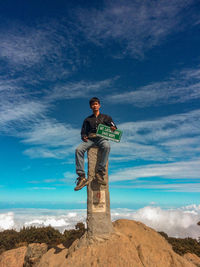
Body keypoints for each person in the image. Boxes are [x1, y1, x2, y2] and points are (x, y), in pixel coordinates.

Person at [74, 97, 117, 191]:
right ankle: (81, 177)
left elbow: (114, 127)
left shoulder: (106, 117)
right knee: (78, 150)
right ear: (90, 107)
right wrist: (84, 136)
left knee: (107, 146)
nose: (95, 106)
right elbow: (83, 132)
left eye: (96, 104)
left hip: (101, 139)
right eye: (93, 104)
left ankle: (100, 173)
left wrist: (113, 128)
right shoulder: (87, 119)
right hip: (90, 139)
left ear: (99, 105)